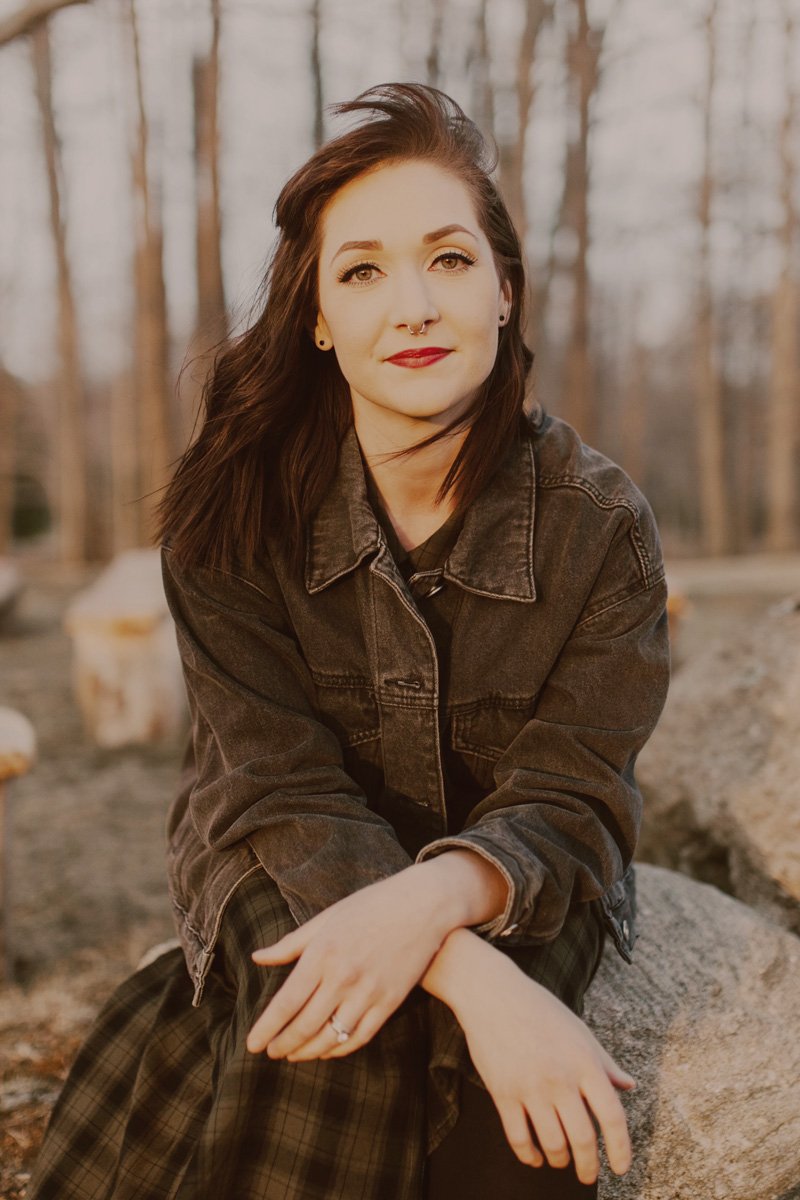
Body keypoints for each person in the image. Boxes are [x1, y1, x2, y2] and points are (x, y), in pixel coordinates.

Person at [28, 83, 670, 1200]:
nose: (412, 307)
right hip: (281, 842)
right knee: (332, 1035)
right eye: (363, 271)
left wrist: (438, 913)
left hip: (517, 872)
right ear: (319, 316)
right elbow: (279, 789)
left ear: (505, 291)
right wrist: (470, 982)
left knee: (522, 1136)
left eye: (449, 260)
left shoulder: (600, 529)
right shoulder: (229, 520)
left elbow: (573, 798)